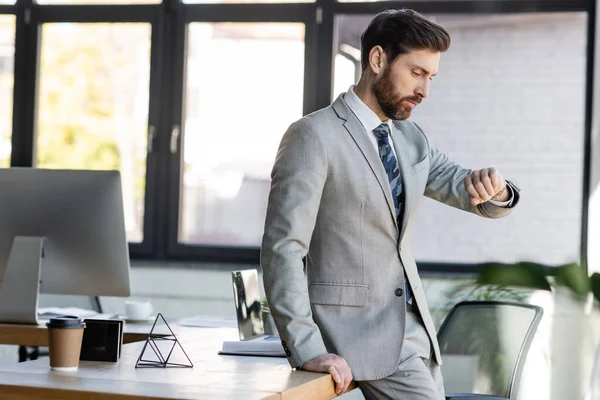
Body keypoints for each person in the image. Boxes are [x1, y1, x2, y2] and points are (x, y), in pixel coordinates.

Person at [260, 8, 520, 400]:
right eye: (416, 73)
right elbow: (283, 249)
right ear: (377, 59)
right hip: (356, 330)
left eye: (431, 78)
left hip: (416, 333)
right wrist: (308, 347)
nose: (425, 91)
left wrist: (496, 190)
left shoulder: (409, 137)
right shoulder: (313, 136)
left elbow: (461, 185)